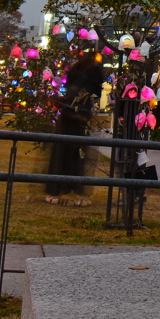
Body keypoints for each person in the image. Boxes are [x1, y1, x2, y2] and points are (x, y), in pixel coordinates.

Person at [46, 52, 105, 206]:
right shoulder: (94, 73)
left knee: (62, 151)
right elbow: (97, 92)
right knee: (78, 152)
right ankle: (74, 187)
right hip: (80, 117)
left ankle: (58, 188)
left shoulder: (75, 71)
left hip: (68, 115)